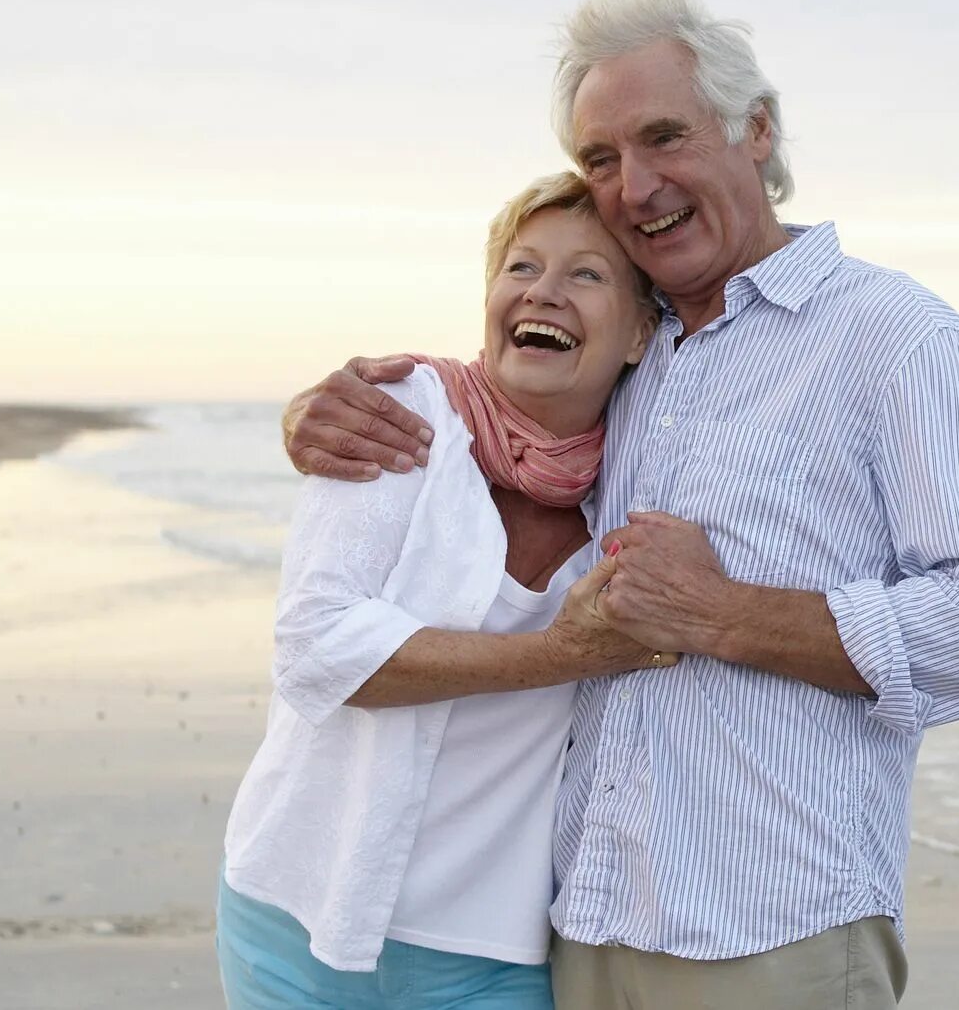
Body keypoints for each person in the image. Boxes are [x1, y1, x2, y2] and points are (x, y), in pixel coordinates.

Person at [283, 0, 959, 1009]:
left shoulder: (896, 340)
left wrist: (724, 611)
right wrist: (316, 413)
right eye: (599, 158)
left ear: (757, 131)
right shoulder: (636, 352)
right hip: (579, 924)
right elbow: (501, 421)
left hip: (768, 934)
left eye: (664, 137)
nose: (633, 184)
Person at [220, 173, 667, 1010]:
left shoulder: (650, 477)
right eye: (521, 267)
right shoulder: (400, 413)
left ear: (640, 329)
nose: (543, 291)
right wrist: (554, 655)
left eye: (586, 274)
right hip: (290, 900)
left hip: (491, 948)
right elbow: (317, 651)